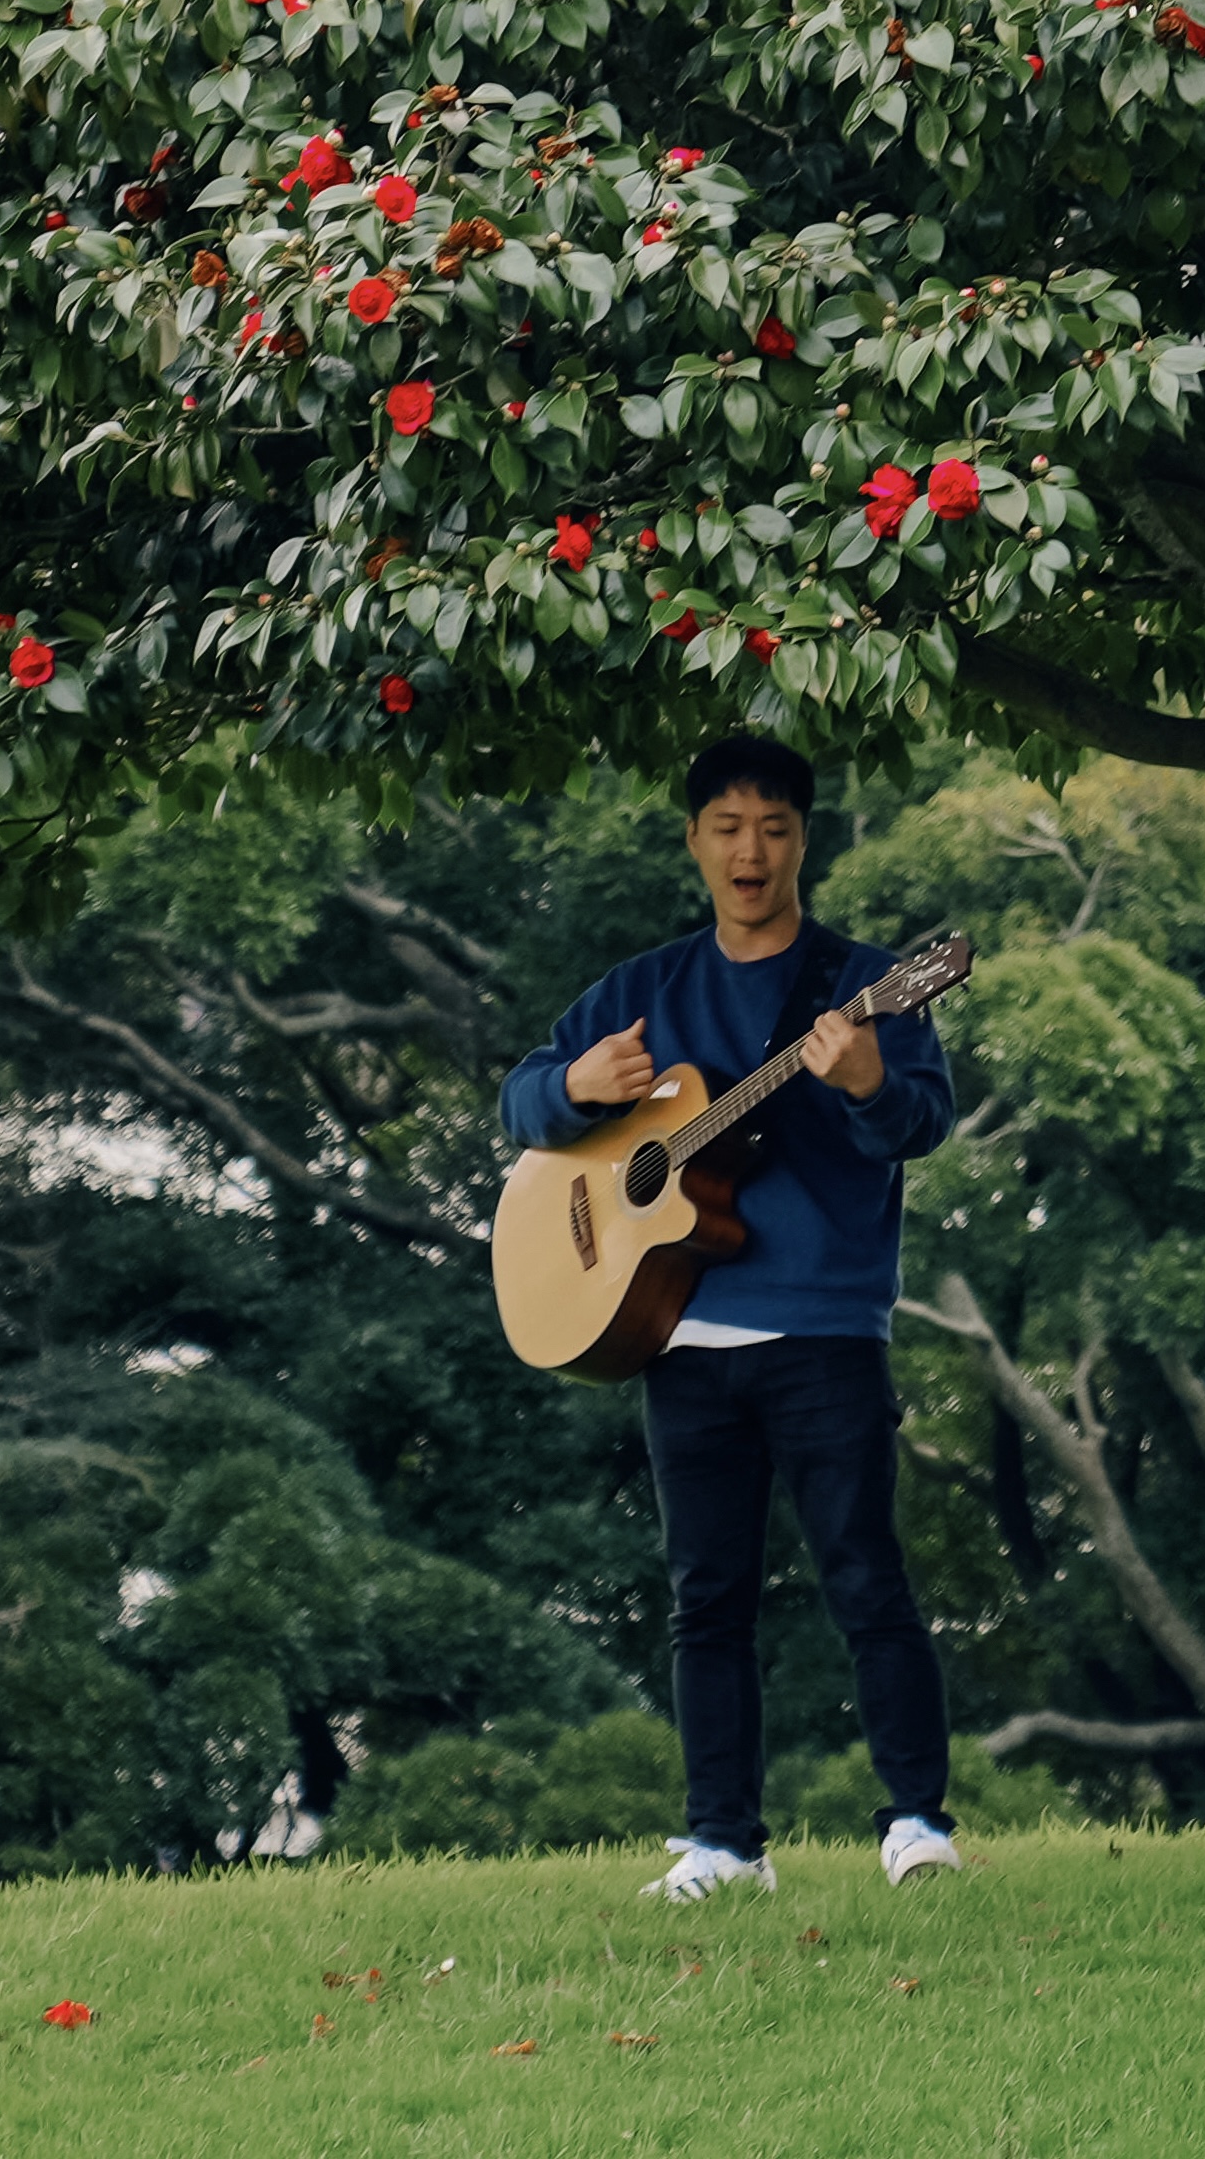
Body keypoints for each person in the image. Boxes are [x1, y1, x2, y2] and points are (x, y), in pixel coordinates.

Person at [501, 730, 967, 1903]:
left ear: (804, 840)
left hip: (823, 1328)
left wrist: (863, 1079)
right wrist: (575, 1090)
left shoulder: (867, 983)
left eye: (772, 827)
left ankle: (917, 1821)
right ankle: (723, 1841)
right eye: (726, 827)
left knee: (865, 1575)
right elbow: (522, 1098)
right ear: (697, 841)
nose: (749, 850)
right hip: (679, 1334)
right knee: (704, 1596)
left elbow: (920, 1120)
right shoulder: (644, 991)